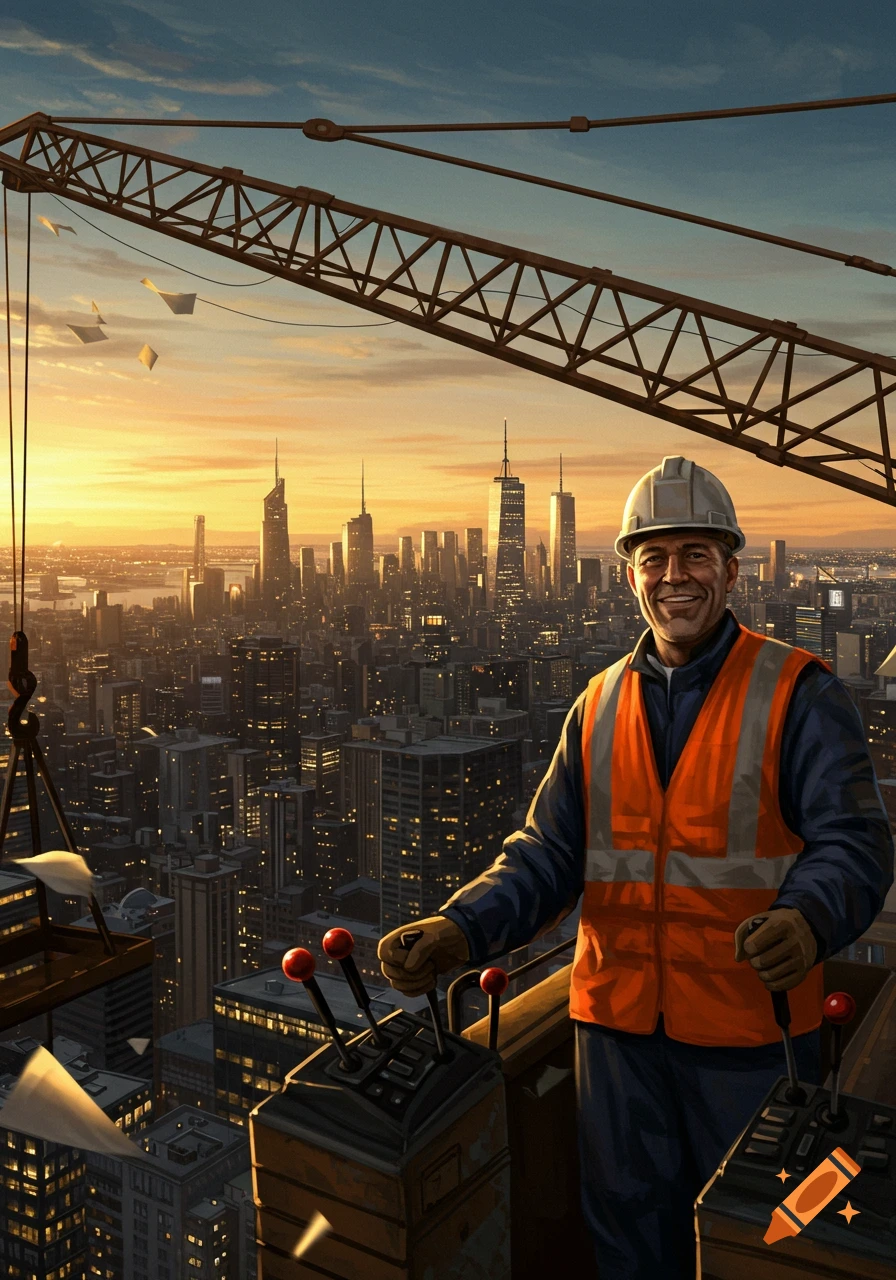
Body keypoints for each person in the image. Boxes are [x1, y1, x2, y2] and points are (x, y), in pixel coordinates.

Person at [378, 455, 893, 1279]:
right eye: (655, 557)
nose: (675, 576)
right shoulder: (597, 703)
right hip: (615, 1034)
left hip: (747, 1036)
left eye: (695, 554)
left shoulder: (798, 691)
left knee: (755, 1241)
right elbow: (548, 856)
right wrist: (460, 927)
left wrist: (808, 918)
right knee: (626, 1233)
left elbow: (854, 843)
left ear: (731, 568)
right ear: (629, 576)